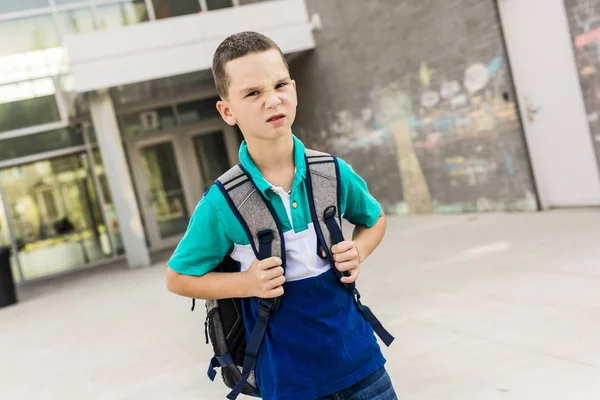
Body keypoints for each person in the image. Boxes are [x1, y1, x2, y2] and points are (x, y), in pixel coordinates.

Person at [166, 31, 397, 400]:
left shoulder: (332, 172)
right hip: (289, 386)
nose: (272, 100)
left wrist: (360, 250)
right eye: (253, 93)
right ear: (227, 111)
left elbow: (374, 219)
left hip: (365, 369)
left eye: (279, 85)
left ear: (294, 88)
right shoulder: (222, 202)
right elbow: (178, 277)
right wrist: (247, 284)